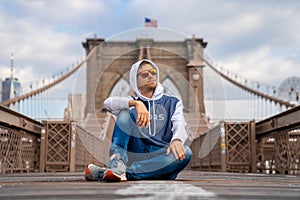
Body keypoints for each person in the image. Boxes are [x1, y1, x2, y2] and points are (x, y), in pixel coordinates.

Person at [85, 59, 192, 182]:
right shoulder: (131, 102)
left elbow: (180, 124)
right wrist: (135, 103)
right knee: (124, 112)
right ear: (135, 80)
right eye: (145, 74)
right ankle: (118, 163)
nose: (151, 76)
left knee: (186, 152)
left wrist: (177, 140)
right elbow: (108, 103)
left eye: (153, 72)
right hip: (137, 152)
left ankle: (123, 172)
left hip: (162, 157)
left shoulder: (173, 102)